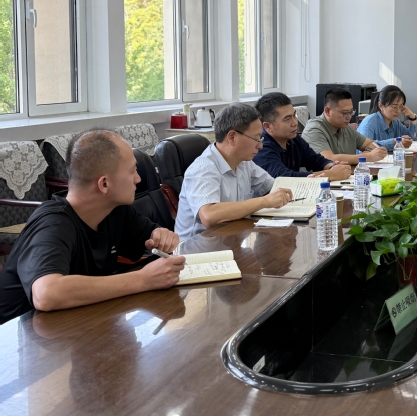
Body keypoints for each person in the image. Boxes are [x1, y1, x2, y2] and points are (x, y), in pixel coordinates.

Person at [0, 130, 184, 324]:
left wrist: (161, 236)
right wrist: (142, 280)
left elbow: (151, 237)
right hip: (18, 335)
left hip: (74, 326)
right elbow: (46, 294)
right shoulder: (53, 224)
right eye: (132, 171)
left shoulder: (114, 210)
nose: (138, 179)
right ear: (104, 184)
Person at [175, 103, 293, 239]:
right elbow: (209, 216)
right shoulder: (203, 169)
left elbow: (274, 187)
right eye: (256, 138)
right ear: (232, 137)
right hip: (198, 247)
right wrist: (264, 201)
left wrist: (305, 186)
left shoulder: (244, 163)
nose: (260, 145)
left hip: (230, 240)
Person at [253, 92, 352, 180]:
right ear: (267, 126)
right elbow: (283, 178)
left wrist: (332, 166)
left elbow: (317, 160)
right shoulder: (261, 147)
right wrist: (330, 174)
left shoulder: (294, 138)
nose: (295, 123)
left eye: (294, 115)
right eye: (287, 119)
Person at [302, 88, 388, 165]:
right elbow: (328, 159)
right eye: (345, 113)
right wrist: (367, 157)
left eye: (351, 112)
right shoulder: (314, 129)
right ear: (327, 111)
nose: (349, 117)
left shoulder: (346, 127)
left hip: (348, 175)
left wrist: (368, 153)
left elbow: (370, 143)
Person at [357, 85, 417, 151]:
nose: (398, 111)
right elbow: (365, 147)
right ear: (381, 106)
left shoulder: (395, 122)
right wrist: (393, 142)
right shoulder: (369, 122)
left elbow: (415, 139)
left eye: (401, 106)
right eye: (394, 107)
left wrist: (413, 118)